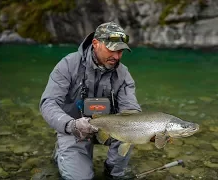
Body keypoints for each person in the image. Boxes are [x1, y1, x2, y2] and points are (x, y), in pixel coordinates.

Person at [39, 21, 142, 180]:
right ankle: (63, 150)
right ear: (95, 44)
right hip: (75, 129)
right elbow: (48, 103)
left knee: (130, 134)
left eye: (121, 51)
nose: (116, 56)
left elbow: (131, 110)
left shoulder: (123, 74)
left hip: (110, 128)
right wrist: (70, 125)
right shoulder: (68, 65)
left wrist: (149, 130)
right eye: (112, 50)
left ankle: (111, 171)